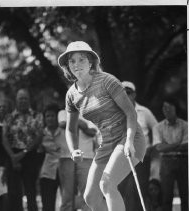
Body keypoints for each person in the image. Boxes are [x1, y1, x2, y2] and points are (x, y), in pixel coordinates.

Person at [57, 41, 146, 211]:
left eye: (81, 59)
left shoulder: (107, 81)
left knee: (107, 184)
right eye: (72, 61)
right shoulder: (71, 95)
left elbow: (131, 113)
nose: (76, 64)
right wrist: (73, 149)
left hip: (130, 137)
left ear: (91, 62)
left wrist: (128, 141)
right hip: (107, 143)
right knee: (90, 197)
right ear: (67, 66)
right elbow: (70, 128)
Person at [119, 81, 158, 211]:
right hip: (122, 158)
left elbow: (156, 129)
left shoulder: (144, 111)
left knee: (140, 190)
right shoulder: (116, 111)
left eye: (128, 92)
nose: (125, 95)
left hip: (141, 157)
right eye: (122, 92)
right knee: (124, 190)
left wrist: (152, 147)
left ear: (134, 94)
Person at [2, 89, 43, 211]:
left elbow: (39, 137)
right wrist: (13, 157)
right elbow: (4, 138)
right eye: (20, 98)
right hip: (12, 156)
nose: (23, 101)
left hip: (30, 155)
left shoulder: (37, 116)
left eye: (25, 98)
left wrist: (23, 153)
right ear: (16, 100)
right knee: (13, 193)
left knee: (31, 191)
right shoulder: (8, 117)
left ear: (29, 100)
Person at [58, 109, 98, 211]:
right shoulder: (63, 112)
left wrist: (75, 123)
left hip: (87, 157)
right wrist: (79, 123)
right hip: (67, 157)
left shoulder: (91, 112)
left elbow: (93, 132)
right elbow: (62, 124)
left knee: (88, 193)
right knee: (67, 194)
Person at [153, 97, 188, 211]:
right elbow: (159, 147)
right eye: (164, 107)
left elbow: (186, 146)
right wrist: (177, 144)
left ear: (175, 108)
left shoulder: (185, 125)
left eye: (169, 107)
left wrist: (167, 146)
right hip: (166, 162)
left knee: (185, 194)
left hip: (183, 160)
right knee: (166, 195)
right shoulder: (158, 127)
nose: (166, 110)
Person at [39, 103, 61, 211]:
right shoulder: (40, 135)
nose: (50, 118)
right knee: (47, 204)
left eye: (52, 115)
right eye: (47, 116)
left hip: (63, 171)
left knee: (66, 202)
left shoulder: (65, 131)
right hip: (47, 172)